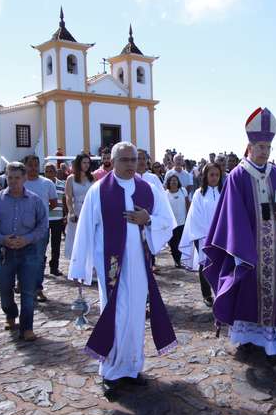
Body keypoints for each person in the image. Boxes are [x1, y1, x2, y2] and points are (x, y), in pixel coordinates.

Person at [68, 142, 177, 397]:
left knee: (136, 314)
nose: (130, 164)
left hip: (139, 264)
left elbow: (167, 221)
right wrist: (81, 266)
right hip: (111, 266)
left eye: (134, 159)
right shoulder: (99, 191)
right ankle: (110, 371)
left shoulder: (148, 189)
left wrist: (148, 219)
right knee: (115, 314)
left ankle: (132, 368)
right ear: (113, 162)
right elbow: (85, 228)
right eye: (125, 160)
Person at [203, 108, 276, 363]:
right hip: (249, 250)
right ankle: (248, 339)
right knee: (248, 293)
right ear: (249, 147)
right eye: (260, 147)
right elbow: (231, 215)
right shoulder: (237, 176)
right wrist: (243, 248)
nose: (264, 151)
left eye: (268, 147)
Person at [0, 161, 49, 341]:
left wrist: (27, 239)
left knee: (28, 291)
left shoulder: (35, 200)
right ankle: (10, 314)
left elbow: (43, 225)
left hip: (29, 251)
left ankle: (27, 328)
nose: (13, 181)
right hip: (4, 252)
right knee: (5, 290)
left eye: (17, 178)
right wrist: (2, 239)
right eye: (10, 177)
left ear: (25, 178)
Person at [179, 162, 223, 307]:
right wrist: (207, 234)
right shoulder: (199, 193)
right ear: (205, 176)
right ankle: (207, 294)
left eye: (217, 175)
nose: (214, 177)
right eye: (211, 175)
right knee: (205, 264)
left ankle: (221, 291)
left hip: (221, 236)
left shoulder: (225, 192)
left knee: (221, 265)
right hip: (203, 236)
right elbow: (195, 216)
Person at [22, 155, 58, 301]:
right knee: (23, 258)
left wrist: (41, 214)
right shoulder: (20, 183)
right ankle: (23, 283)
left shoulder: (47, 183)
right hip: (22, 228)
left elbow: (53, 203)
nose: (33, 168)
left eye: (36, 165)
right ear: (25, 166)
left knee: (38, 258)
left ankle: (37, 288)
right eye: (30, 165)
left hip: (41, 228)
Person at [65, 154, 95, 265]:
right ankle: (76, 264)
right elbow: (68, 197)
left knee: (89, 237)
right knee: (76, 238)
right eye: (84, 163)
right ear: (79, 164)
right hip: (76, 210)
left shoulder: (92, 178)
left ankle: (89, 264)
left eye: (88, 163)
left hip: (90, 210)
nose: (86, 165)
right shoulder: (71, 179)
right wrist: (71, 212)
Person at [44, 162, 66, 276]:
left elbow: (65, 200)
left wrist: (66, 214)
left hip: (57, 218)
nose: (49, 173)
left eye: (51, 171)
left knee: (56, 245)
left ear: (55, 172)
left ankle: (54, 267)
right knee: (43, 244)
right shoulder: (42, 184)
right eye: (46, 171)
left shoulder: (62, 184)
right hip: (44, 219)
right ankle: (41, 267)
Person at [165, 175, 189, 268]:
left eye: (175, 180)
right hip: (171, 223)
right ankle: (176, 260)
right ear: (169, 183)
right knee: (173, 243)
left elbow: (187, 203)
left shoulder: (183, 191)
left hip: (182, 221)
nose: (174, 182)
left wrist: (188, 216)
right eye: (172, 180)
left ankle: (181, 260)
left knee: (181, 242)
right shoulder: (165, 194)